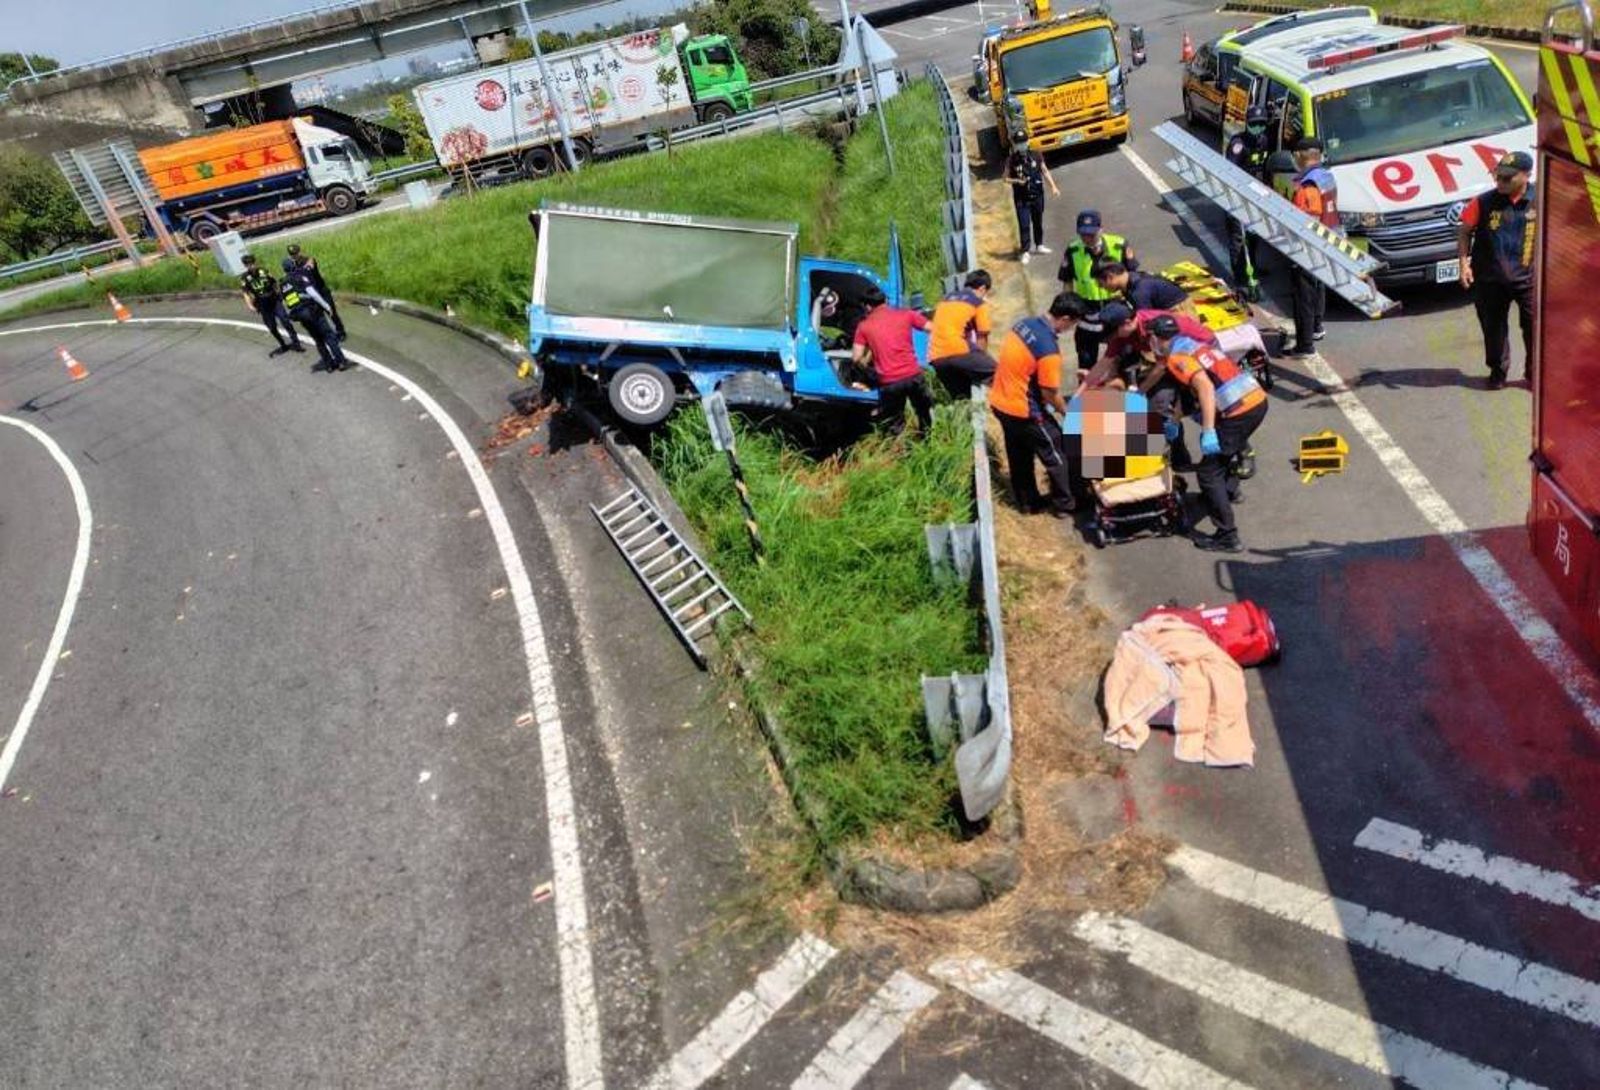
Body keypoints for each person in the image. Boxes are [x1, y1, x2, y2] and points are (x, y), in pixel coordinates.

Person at [1148, 314, 1268, 553]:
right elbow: (1189, 391)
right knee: (1225, 454)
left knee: (1208, 472)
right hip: (1255, 401)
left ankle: (1227, 536)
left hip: (1239, 411)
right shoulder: (1192, 345)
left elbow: (1204, 387)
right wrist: (1174, 419)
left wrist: (1209, 429)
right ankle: (1229, 492)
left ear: (1158, 338)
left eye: (1152, 336)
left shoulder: (1177, 358)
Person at [989, 292, 1091, 516]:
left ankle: (1028, 503)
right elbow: (1049, 393)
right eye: (1073, 323)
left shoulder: (1023, 325)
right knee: (1058, 452)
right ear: (1065, 318)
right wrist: (1067, 413)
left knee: (1019, 454)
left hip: (1000, 402)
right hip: (1025, 410)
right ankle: (1067, 503)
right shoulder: (1048, 349)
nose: (1070, 329)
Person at [1458, 151, 1536, 389]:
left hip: (1530, 278)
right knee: (1493, 329)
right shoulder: (1482, 202)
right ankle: (1498, 372)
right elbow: (1464, 231)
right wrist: (1464, 263)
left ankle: (1535, 373)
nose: (1499, 182)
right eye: (1497, 176)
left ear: (1526, 176)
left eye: (1506, 178)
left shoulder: (1542, 199)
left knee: (1535, 327)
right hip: (1490, 278)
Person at [1285, 136, 1341, 357]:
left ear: (1300, 155)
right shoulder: (1326, 176)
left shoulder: (1307, 186)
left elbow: (1308, 221)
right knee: (1318, 286)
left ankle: (1305, 345)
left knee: (1303, 295)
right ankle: (1317, 326)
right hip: (1331, 239)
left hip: (1311, 246)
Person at [852, 284, 933, 435]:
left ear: (868, 306)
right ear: (885, 301)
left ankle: (899, 451)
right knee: (924, 411)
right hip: (913, 375)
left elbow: (856, 358)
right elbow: (932, 327)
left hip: (889, 382)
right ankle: (927, 439)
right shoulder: (907, 314)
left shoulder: (863, 327)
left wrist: (869, 359)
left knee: (895, 423)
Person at [1059, 210, 1136, 368]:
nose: (1087, 238)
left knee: (1126, 358)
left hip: (1116, 308)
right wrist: (1067, 311)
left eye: (1091, 234)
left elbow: (1132, 276)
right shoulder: (1073, 250)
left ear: (1101, 229)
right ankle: (1087, 391)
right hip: (1087, 312)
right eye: (1083, 234)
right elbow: (1067, 283)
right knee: (1086, 361)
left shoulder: (1119, 245)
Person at [1225, 107, 1273, 301]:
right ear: (1247, 124)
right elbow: (1230, 171)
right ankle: (1241, 278)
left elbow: (1265, 167)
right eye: (1254, 124)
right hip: (1237, 197)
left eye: (1261, 124)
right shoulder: (1238, 144)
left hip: (1256, 197)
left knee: (1254, 235)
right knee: (1238, 238)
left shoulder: (1264, 141)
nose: (1258, 127)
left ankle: (1252, 265)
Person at [927, 269, 997, 398]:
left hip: (936, 358)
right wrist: (982, 359)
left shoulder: (945, 300)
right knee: (1000, 373)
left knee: (962, 399)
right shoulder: (978, 303)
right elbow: (982, 336)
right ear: (982, 289)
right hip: (958, 351)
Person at [281, 257, 348, 372]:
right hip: (313, 312)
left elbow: (286, 301)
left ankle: (329, 365)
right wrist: (327, 306)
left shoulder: (282, 284)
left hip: (301, 316)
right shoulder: (299, 277)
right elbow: (313, 293)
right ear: (293, 265)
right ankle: (341, 361)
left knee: (318, 340)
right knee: (329, 336)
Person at [238, 254, 303, 357]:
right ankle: (282, 344)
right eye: (248, 265)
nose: (251, 266)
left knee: (285, 320)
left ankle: (296, 342)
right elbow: (246, 293)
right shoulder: (245, 278)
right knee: (272, 327)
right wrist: (250, 305)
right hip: (262, 304)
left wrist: (280, 294)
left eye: (252, 263)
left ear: (255, 263)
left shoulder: (263, 271)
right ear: (245, 266)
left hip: (274, 300)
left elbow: (274, 283)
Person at [1006, 145, 1059, 263]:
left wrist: (1053, 187)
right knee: (1024, 224)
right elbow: (1005, 178)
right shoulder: (1011, 159)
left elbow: (1044, 171)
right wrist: (1018, 181)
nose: (1021, 145)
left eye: (1023, 141)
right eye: (1018, 142)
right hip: (1021, 198)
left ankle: (1039, 245)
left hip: (1037, 195)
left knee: (1037, 221)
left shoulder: (1036, 155)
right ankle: (1025, 251)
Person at [287, 243, 345, 340]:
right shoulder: (294, 265)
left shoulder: (309, 260)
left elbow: (310, 266)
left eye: (296, 253)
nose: (294, 256)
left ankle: (340, 331)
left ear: (300, 252)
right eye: (292, 254)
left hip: (321, 290)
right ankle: (329, 333)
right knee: (319, 314)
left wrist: (302, 269)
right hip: (311, 293)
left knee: (331, 312)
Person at [1095, 262, 1191, 313]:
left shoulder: (1139, 292)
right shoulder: (1131, 278)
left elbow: (1147, 319)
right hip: (1171, 305)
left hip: (1178, 311)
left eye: (1101, 284)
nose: (1101, 287)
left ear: (1110, 277)